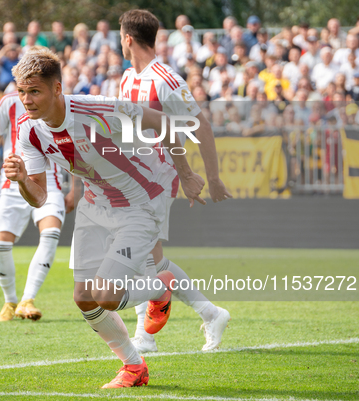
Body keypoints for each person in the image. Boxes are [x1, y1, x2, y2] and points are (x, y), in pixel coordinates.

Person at [6, 47, 207, 388]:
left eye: (35, 91)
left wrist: (186, 173)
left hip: (141, 200)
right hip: (95, 202)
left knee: (106, 295)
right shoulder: (29, 130)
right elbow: (39, 198)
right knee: (84, 297)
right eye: (22, 91)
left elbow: (163, 124)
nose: (26, 100)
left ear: (57, 89)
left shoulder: (97, 108)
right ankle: (134, 366)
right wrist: (24, 179)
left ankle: (161, 286)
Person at [117, 9, 232, 353]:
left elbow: (202, 126)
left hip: (157, 176)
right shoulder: (126, 79)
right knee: (149, 258)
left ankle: (146, 336)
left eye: (120, 39)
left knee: (135, 251)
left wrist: (209, 177)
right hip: (132, 176)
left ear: (128, 39)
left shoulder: (166, 79)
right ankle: (210, 313)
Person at [0, 93, 69, 322]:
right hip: (12, 181)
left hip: (50, 178)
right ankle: (9, 301)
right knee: (1, 243)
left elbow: (72, 143)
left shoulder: (59, 99)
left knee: (50, 233)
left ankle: (27, 300)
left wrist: (77, 188)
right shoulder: (8, 102)